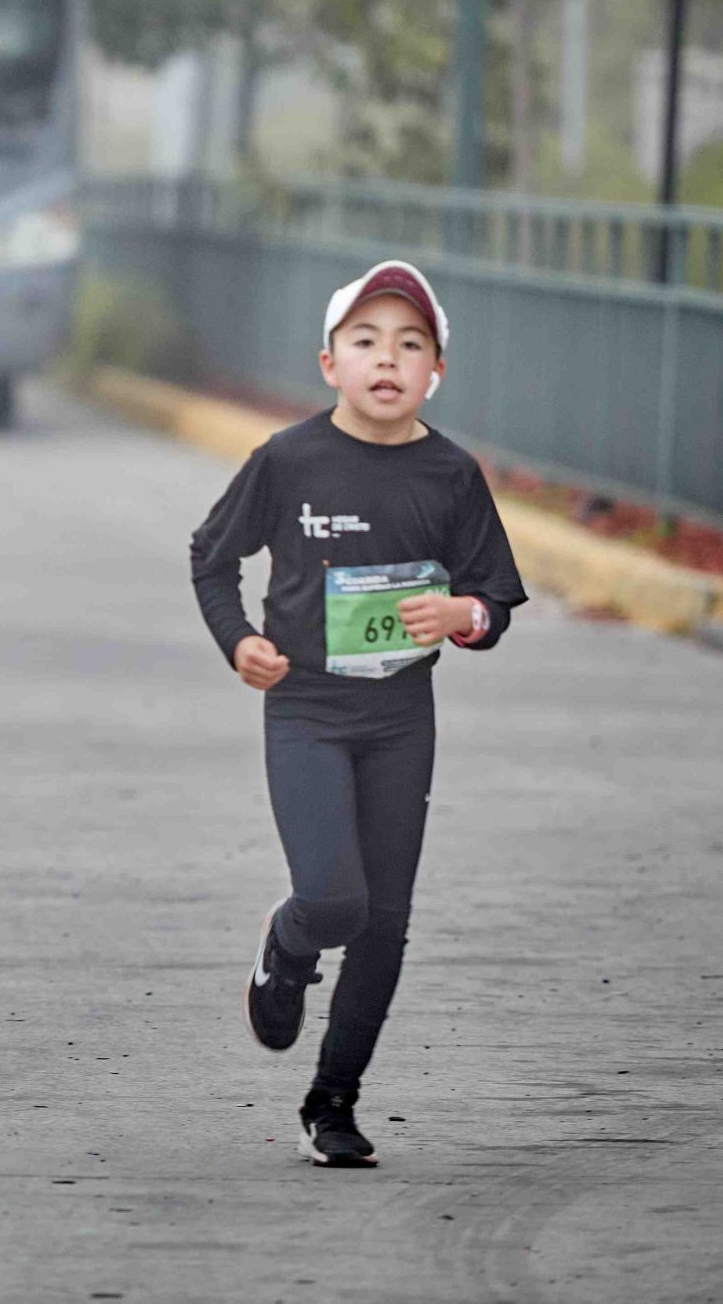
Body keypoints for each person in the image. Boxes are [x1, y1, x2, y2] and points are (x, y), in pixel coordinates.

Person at [186, 260, 526, 1167]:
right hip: (304, 710)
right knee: (336, 900)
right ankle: (287, 943)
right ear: (328, 362)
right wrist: (238, 640)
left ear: (436, 373)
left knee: (386, 919)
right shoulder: (289, 460)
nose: (389, 359)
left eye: (411, 346)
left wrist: (465, 615)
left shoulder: (452, 476)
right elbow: (211, 559)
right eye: (367, 341)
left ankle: (333, 1102)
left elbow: (495, 597)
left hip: (401, 720)